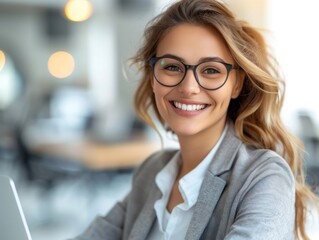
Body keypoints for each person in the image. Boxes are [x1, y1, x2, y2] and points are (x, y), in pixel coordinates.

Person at [72, 0, 318, 239]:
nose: (189, 87)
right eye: (172, 67)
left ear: (236, 84)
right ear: (152, 77)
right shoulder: (151, 172)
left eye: (211, 70)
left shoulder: (262, 177)